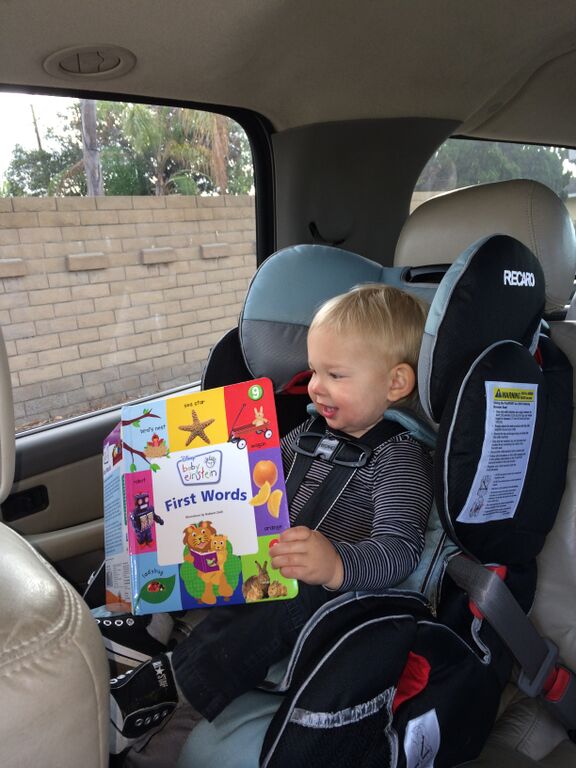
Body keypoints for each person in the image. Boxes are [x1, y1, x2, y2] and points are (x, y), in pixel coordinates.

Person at [106, 284, 434, 759]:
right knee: (169, 533)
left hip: (325, 599)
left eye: (335, 374)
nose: (316, 386)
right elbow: (249, 485)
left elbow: (399, 549)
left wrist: (335, 563)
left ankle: (169, 688)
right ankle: (137, 630)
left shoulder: (398, 457)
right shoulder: (306, 431)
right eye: (315, 370)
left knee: (289, 594)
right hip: (265, 566)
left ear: (396, 384)